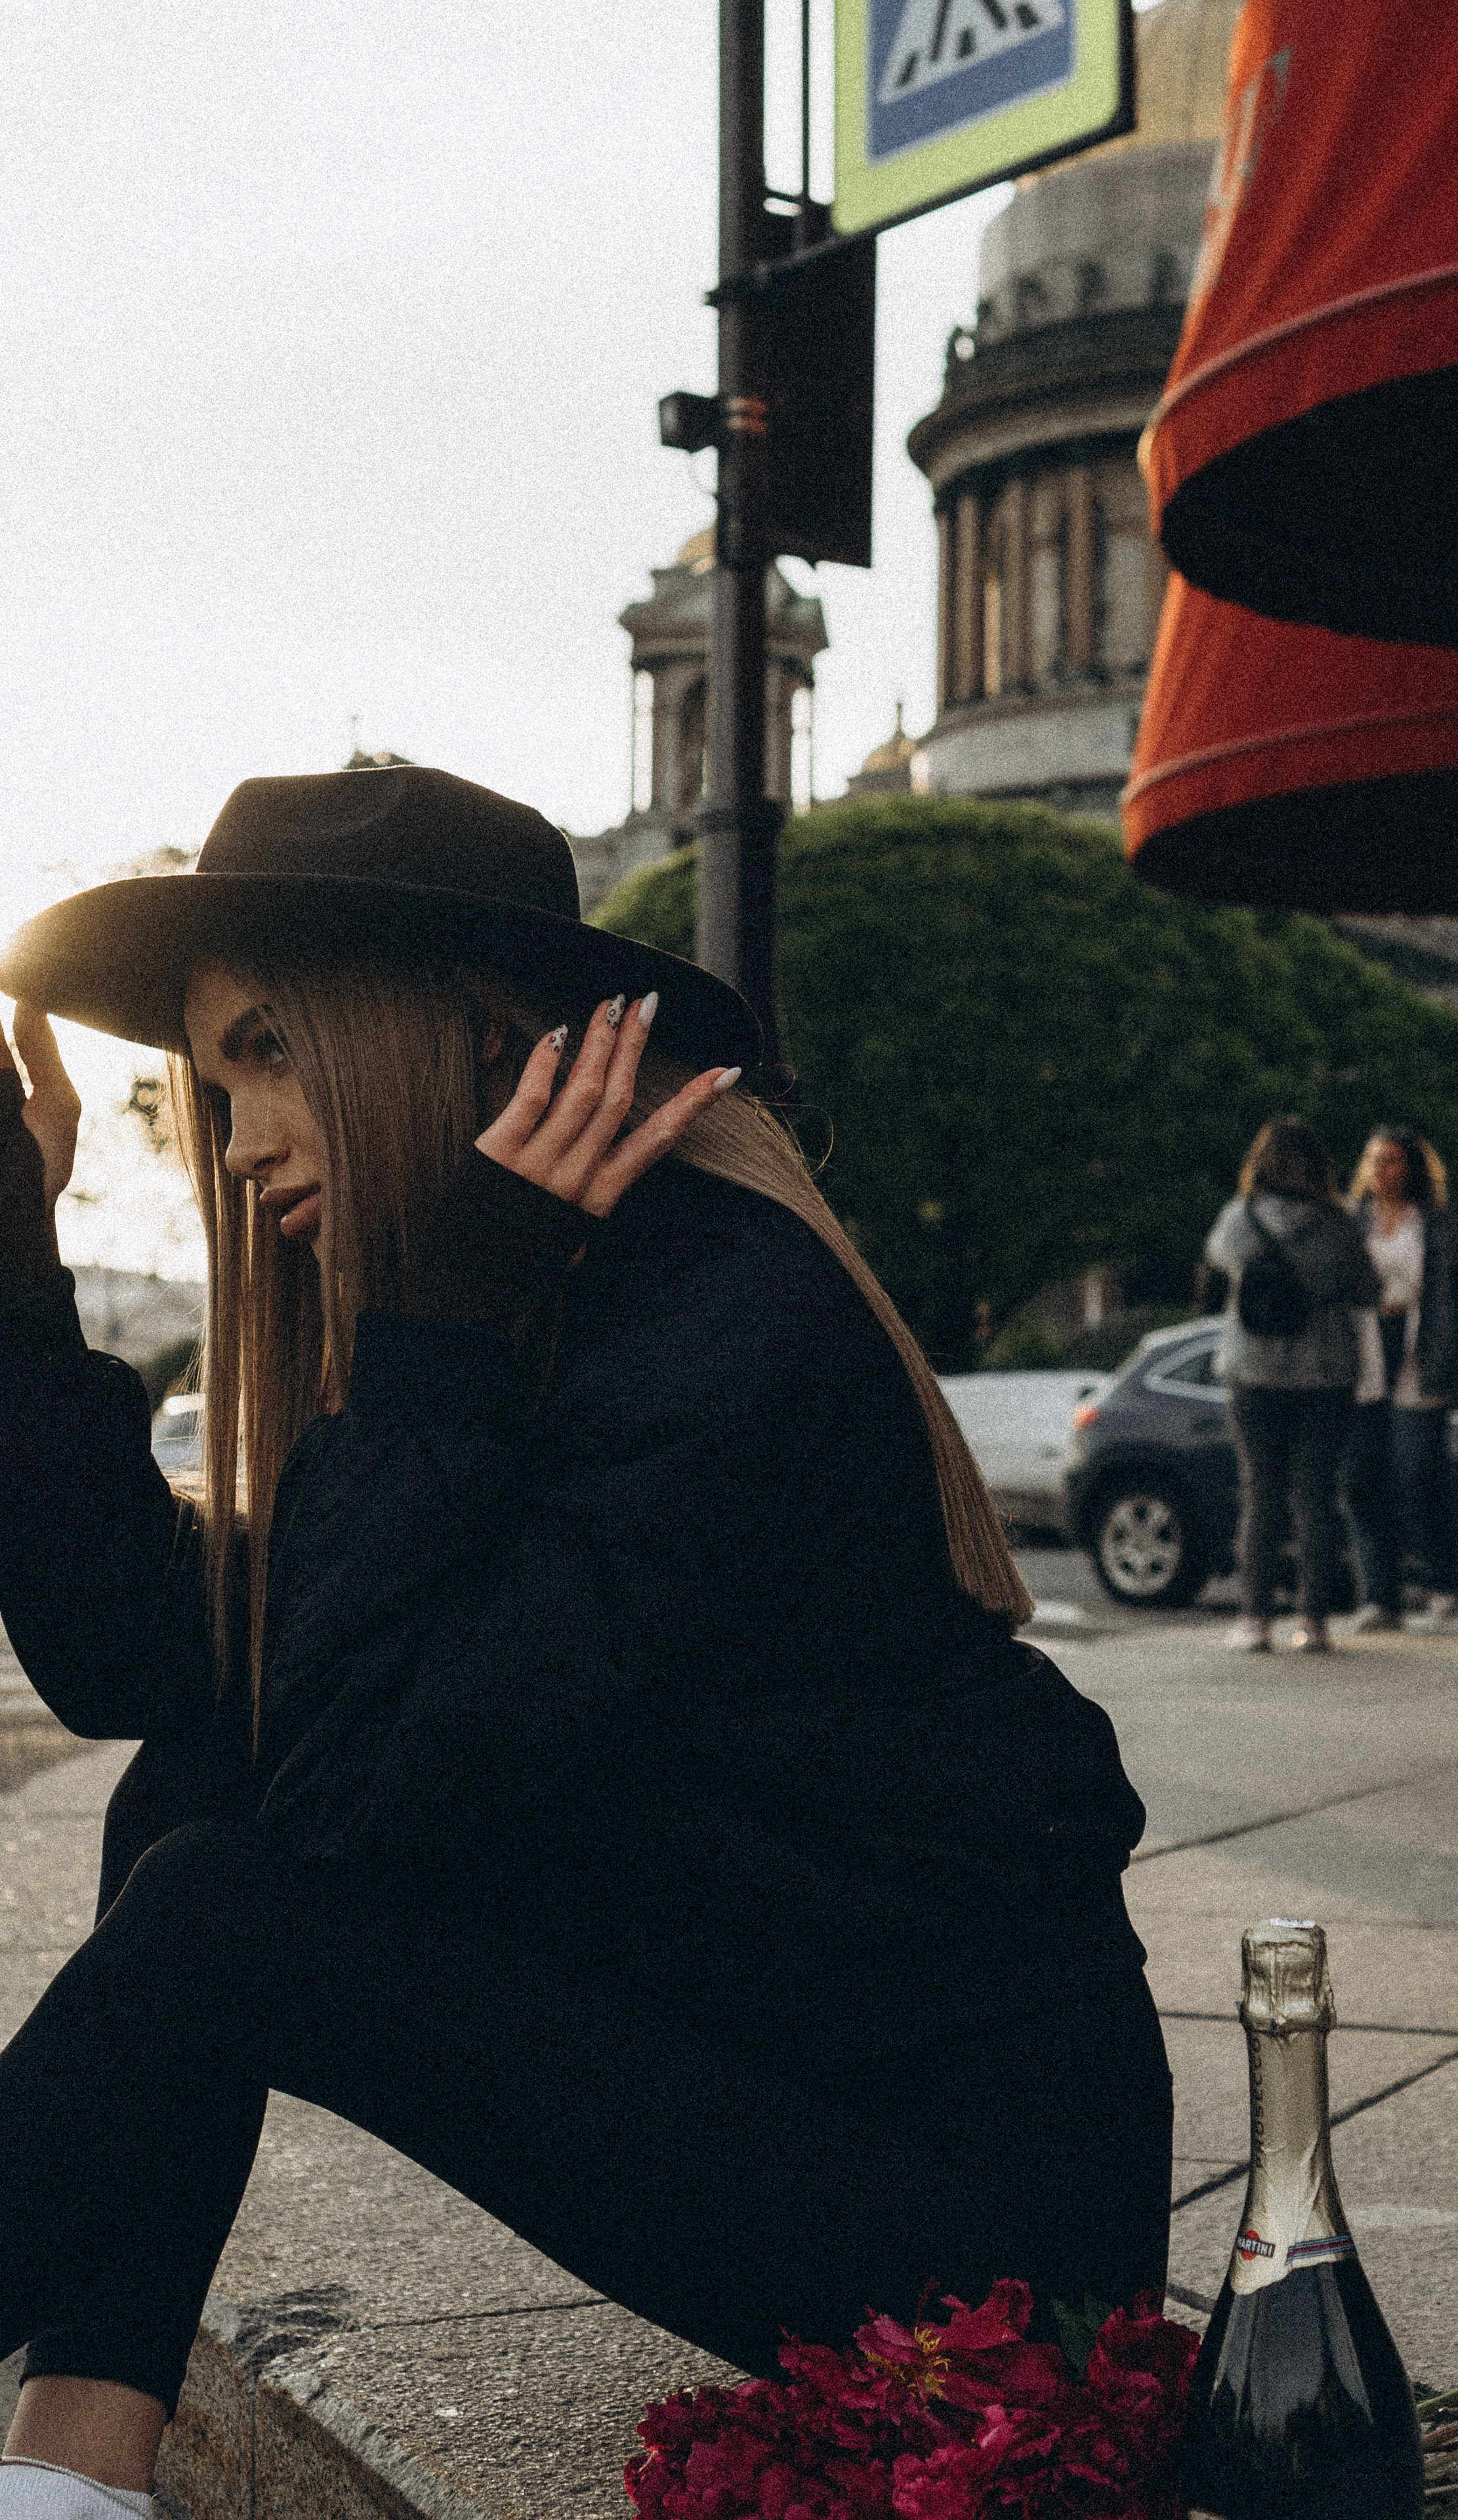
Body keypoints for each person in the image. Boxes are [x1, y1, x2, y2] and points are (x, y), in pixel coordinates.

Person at [0, 768, 1173, 2520]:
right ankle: (70, 2471)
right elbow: (139, 1657)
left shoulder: (716, 1310)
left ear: (468, 1030)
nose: (233, 1141)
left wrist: (440, 1332)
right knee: (187, 1776)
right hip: (769, 2078)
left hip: (979, 2245)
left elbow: (349, 1802)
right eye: (213, 1081)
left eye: (269, 1051)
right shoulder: (501, 1298)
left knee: (222, 1887)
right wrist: (16, 1262)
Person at [1205, 1118, 1380, 1654]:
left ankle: (1255, 1620)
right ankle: (1315, 1621)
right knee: (1316, 1497)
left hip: (1252, 1371)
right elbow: (1368, 1291)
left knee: (1261, 1492)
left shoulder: (1239, 1219)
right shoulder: (1339, 1224)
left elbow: (1219, 1261)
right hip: (1325, 1374)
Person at [1344, 1124, 1458, 1633]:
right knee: (1364, 1482)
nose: (1381, 1169)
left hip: (1422, 1358)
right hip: (1364, 1361)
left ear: (1411, 1168)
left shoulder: (1439, 1226)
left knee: (1417, 1478)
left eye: (1392, 1160)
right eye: (1374, 1159)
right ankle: (1380, 1597)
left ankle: (1442, 1582)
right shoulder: (1351, 1222)